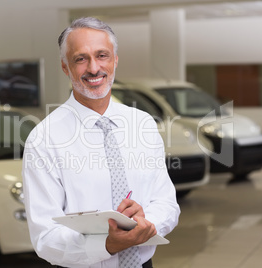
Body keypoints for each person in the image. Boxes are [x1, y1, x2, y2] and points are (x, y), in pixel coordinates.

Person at [22, 17, 180, 268]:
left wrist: (145, 223)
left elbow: (167, 204)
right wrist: (106, 245)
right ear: (65, 67)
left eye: (102, 55)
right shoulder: (44, 139)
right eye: (80, 59)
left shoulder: (142, 124)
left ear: (115, 60)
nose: (94, 68)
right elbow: (45, 238)